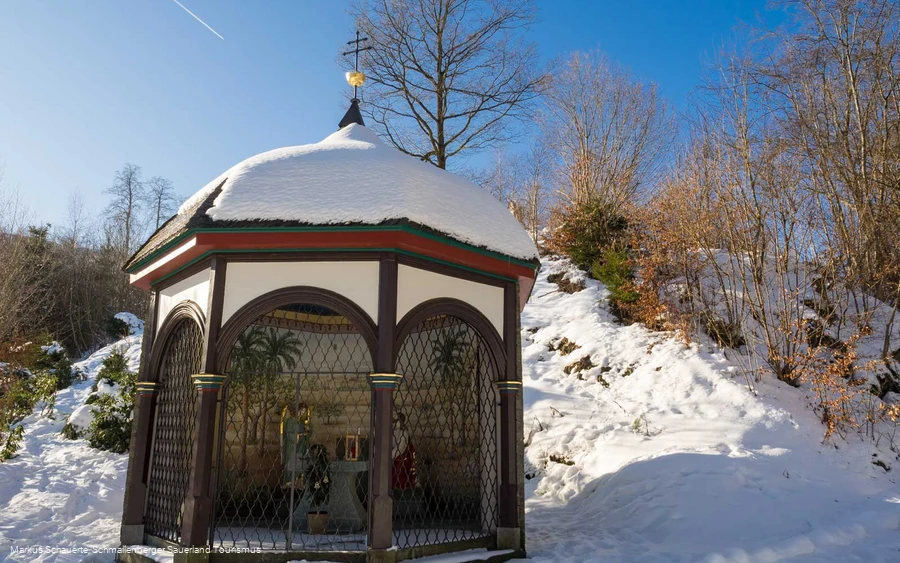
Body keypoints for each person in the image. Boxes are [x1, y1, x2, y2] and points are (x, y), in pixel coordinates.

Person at [280, 402, 311, 488]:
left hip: (300, 447)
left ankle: (298, 483)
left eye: (304, 411)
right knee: (291, 464)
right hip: (292, 448)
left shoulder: (300, 422)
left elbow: (305, 434)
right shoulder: (290, 421)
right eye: (302, 411)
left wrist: (308, 431)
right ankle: (289, 482)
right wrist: (300, 435)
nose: (303, 413)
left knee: (299, 464)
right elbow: (289, 435)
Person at [391, 411, 417, 489]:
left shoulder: (404, 432)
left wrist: (391, 456)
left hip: (400, 458)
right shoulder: (394, 431)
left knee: (398, 475)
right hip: (394, 458)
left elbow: (401, 447)